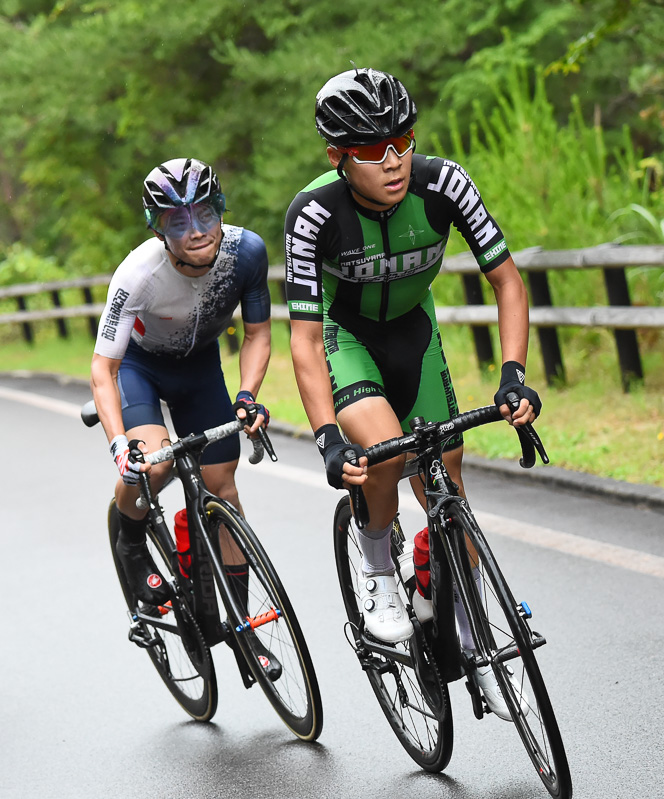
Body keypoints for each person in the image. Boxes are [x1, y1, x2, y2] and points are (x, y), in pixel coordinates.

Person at [284, 68, 541, 719]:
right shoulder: (314, 214)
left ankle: (462, 625)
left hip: (415, 337)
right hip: (350, 339)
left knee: (448, 492)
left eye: (402, 140)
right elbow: (306, 341)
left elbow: (509, 283)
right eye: (372, 150)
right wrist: (325, 435)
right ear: (338, 156)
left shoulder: (444, 183)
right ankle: (376, 569)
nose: (393, 160)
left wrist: (513, 373)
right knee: (386, 456)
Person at [90, 157, 279, 678]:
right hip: (141, 371)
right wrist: (117, 443)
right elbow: (103, 369)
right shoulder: (136, 275)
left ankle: (243, 629)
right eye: (177, 221)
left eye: (204, 214)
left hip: (200, 369)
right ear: (157, 226)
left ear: (221, 209)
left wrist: (247, 394)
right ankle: (131, 542)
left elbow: (258, 334)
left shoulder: (247, 252)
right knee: (153, 466)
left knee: (224, 489)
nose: (195, 232)